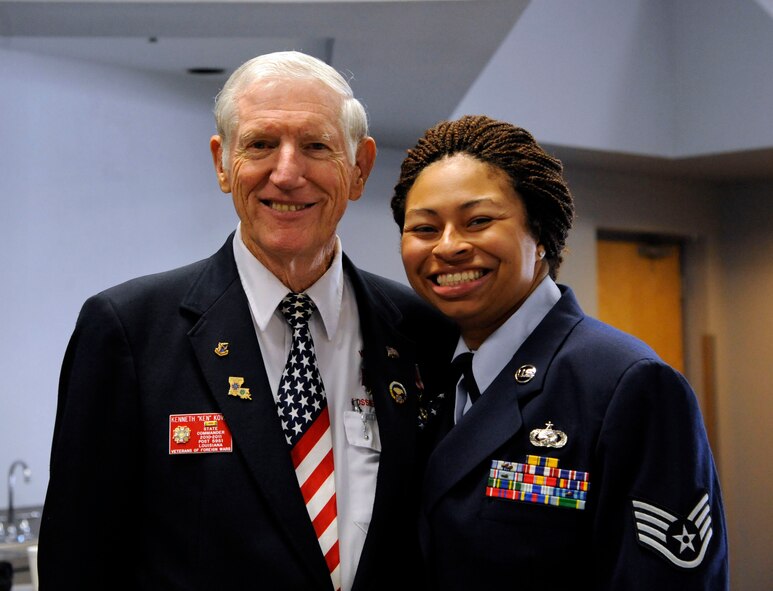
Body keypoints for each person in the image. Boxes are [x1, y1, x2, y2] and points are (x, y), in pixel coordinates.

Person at [37, 51, 454, 591]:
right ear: (221, 162)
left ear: (359, 168)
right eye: (260, 144)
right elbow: (78, 561)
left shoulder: (423, 330)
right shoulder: (127, 331)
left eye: (316, 146)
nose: (287, 173)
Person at [390, 115, 729, 589]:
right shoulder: (421, 371)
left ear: (544, 235)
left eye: (479, 221)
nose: (448, 247)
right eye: (424, 228)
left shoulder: (625, 382)